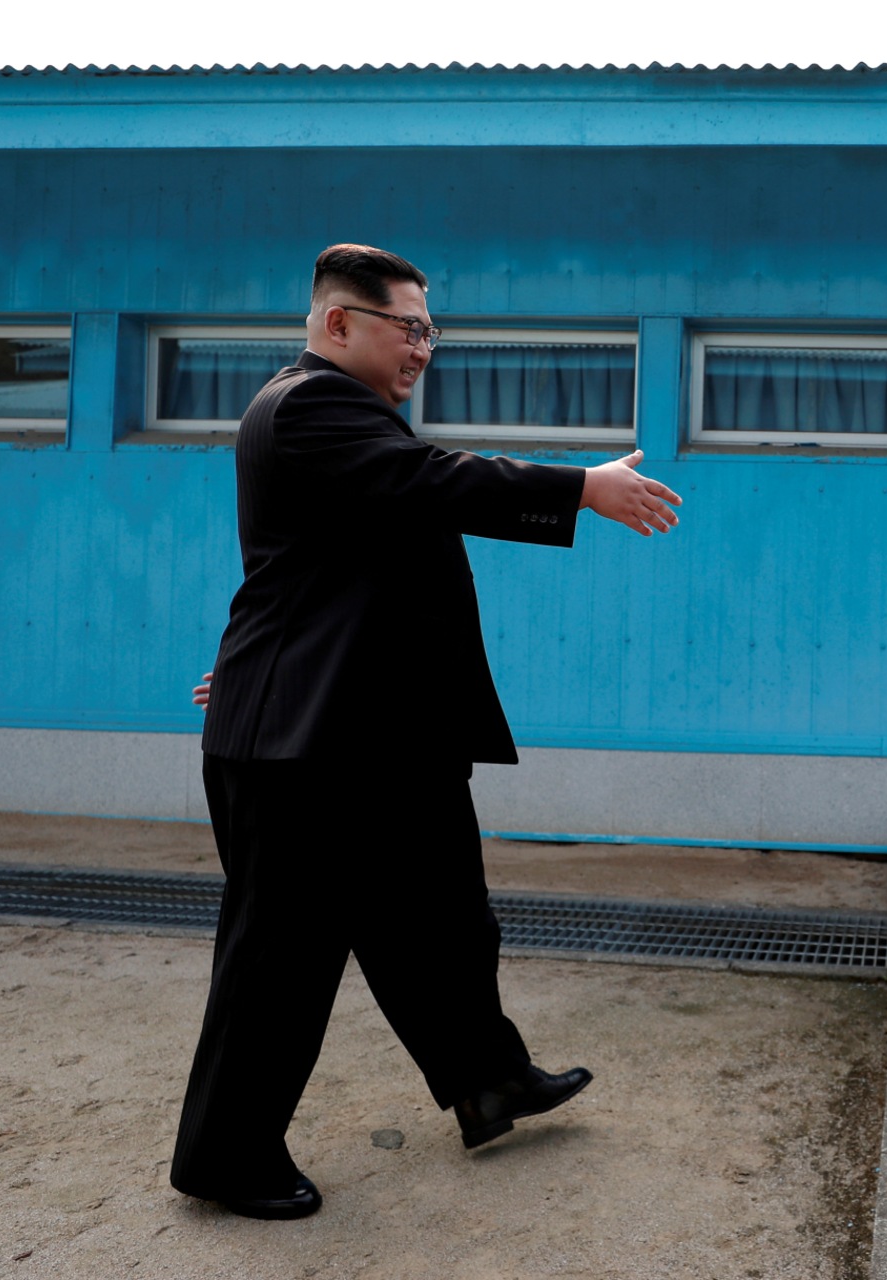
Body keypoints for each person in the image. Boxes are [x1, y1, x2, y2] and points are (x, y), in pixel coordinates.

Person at [171, 244, 682, 1221]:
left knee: (444, 921)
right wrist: (579, 487)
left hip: (365, 733)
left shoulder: (352, 423)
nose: (422, 348)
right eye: (406, 327)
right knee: (279, 958)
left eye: (430, 330)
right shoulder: (311, 403)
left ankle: (490, 1081)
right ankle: (225, 1153)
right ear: (337, 324)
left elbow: (326, 581)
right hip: (304, 753)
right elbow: (440, 480)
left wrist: (258, 670)